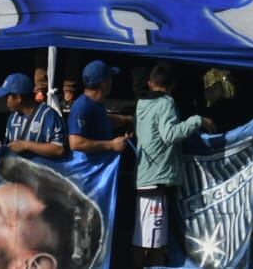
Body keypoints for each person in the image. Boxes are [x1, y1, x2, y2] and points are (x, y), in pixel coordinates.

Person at [135, 63, 214, 267]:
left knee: (143, 240)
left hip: (145, 177)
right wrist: (198, 120)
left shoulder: (141, 104)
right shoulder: (166, 103)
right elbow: (169, 135)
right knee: (156, 245)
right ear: (173, 86)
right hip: (157, 179)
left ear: (150, 83)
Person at [0, 73, 65, 160]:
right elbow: (9, 143)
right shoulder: (13, 117)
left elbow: (59, 149)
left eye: (6, 97)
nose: (5, 101)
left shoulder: (48, 115)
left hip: (43, 171)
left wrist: (26, 145)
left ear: (18, 98)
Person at [66, 60, 127, 155]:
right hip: (87, 169)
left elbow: (102, 121)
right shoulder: (82, 107)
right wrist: (111, 145)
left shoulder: (96, 104)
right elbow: (76, 143)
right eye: (110, 78)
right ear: (104, 83)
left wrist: (127, 120)